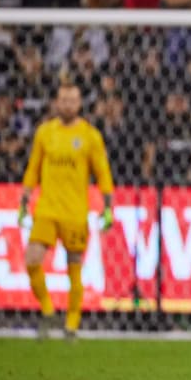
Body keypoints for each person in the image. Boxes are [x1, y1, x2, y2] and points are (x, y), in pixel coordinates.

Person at [17, 83, 115, 340]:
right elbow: (33, 168)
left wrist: (108, 207)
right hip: (47, 209)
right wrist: (25, 198)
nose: (68, 104)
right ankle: (49, 312)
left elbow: (102, 172)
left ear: (80, 103)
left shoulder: (90, 136)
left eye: (72, 100)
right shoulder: (45, 133)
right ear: (57, 102)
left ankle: (71, 324)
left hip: (75, 212)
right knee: (32, 260)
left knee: (74, 270)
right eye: (63, 100)